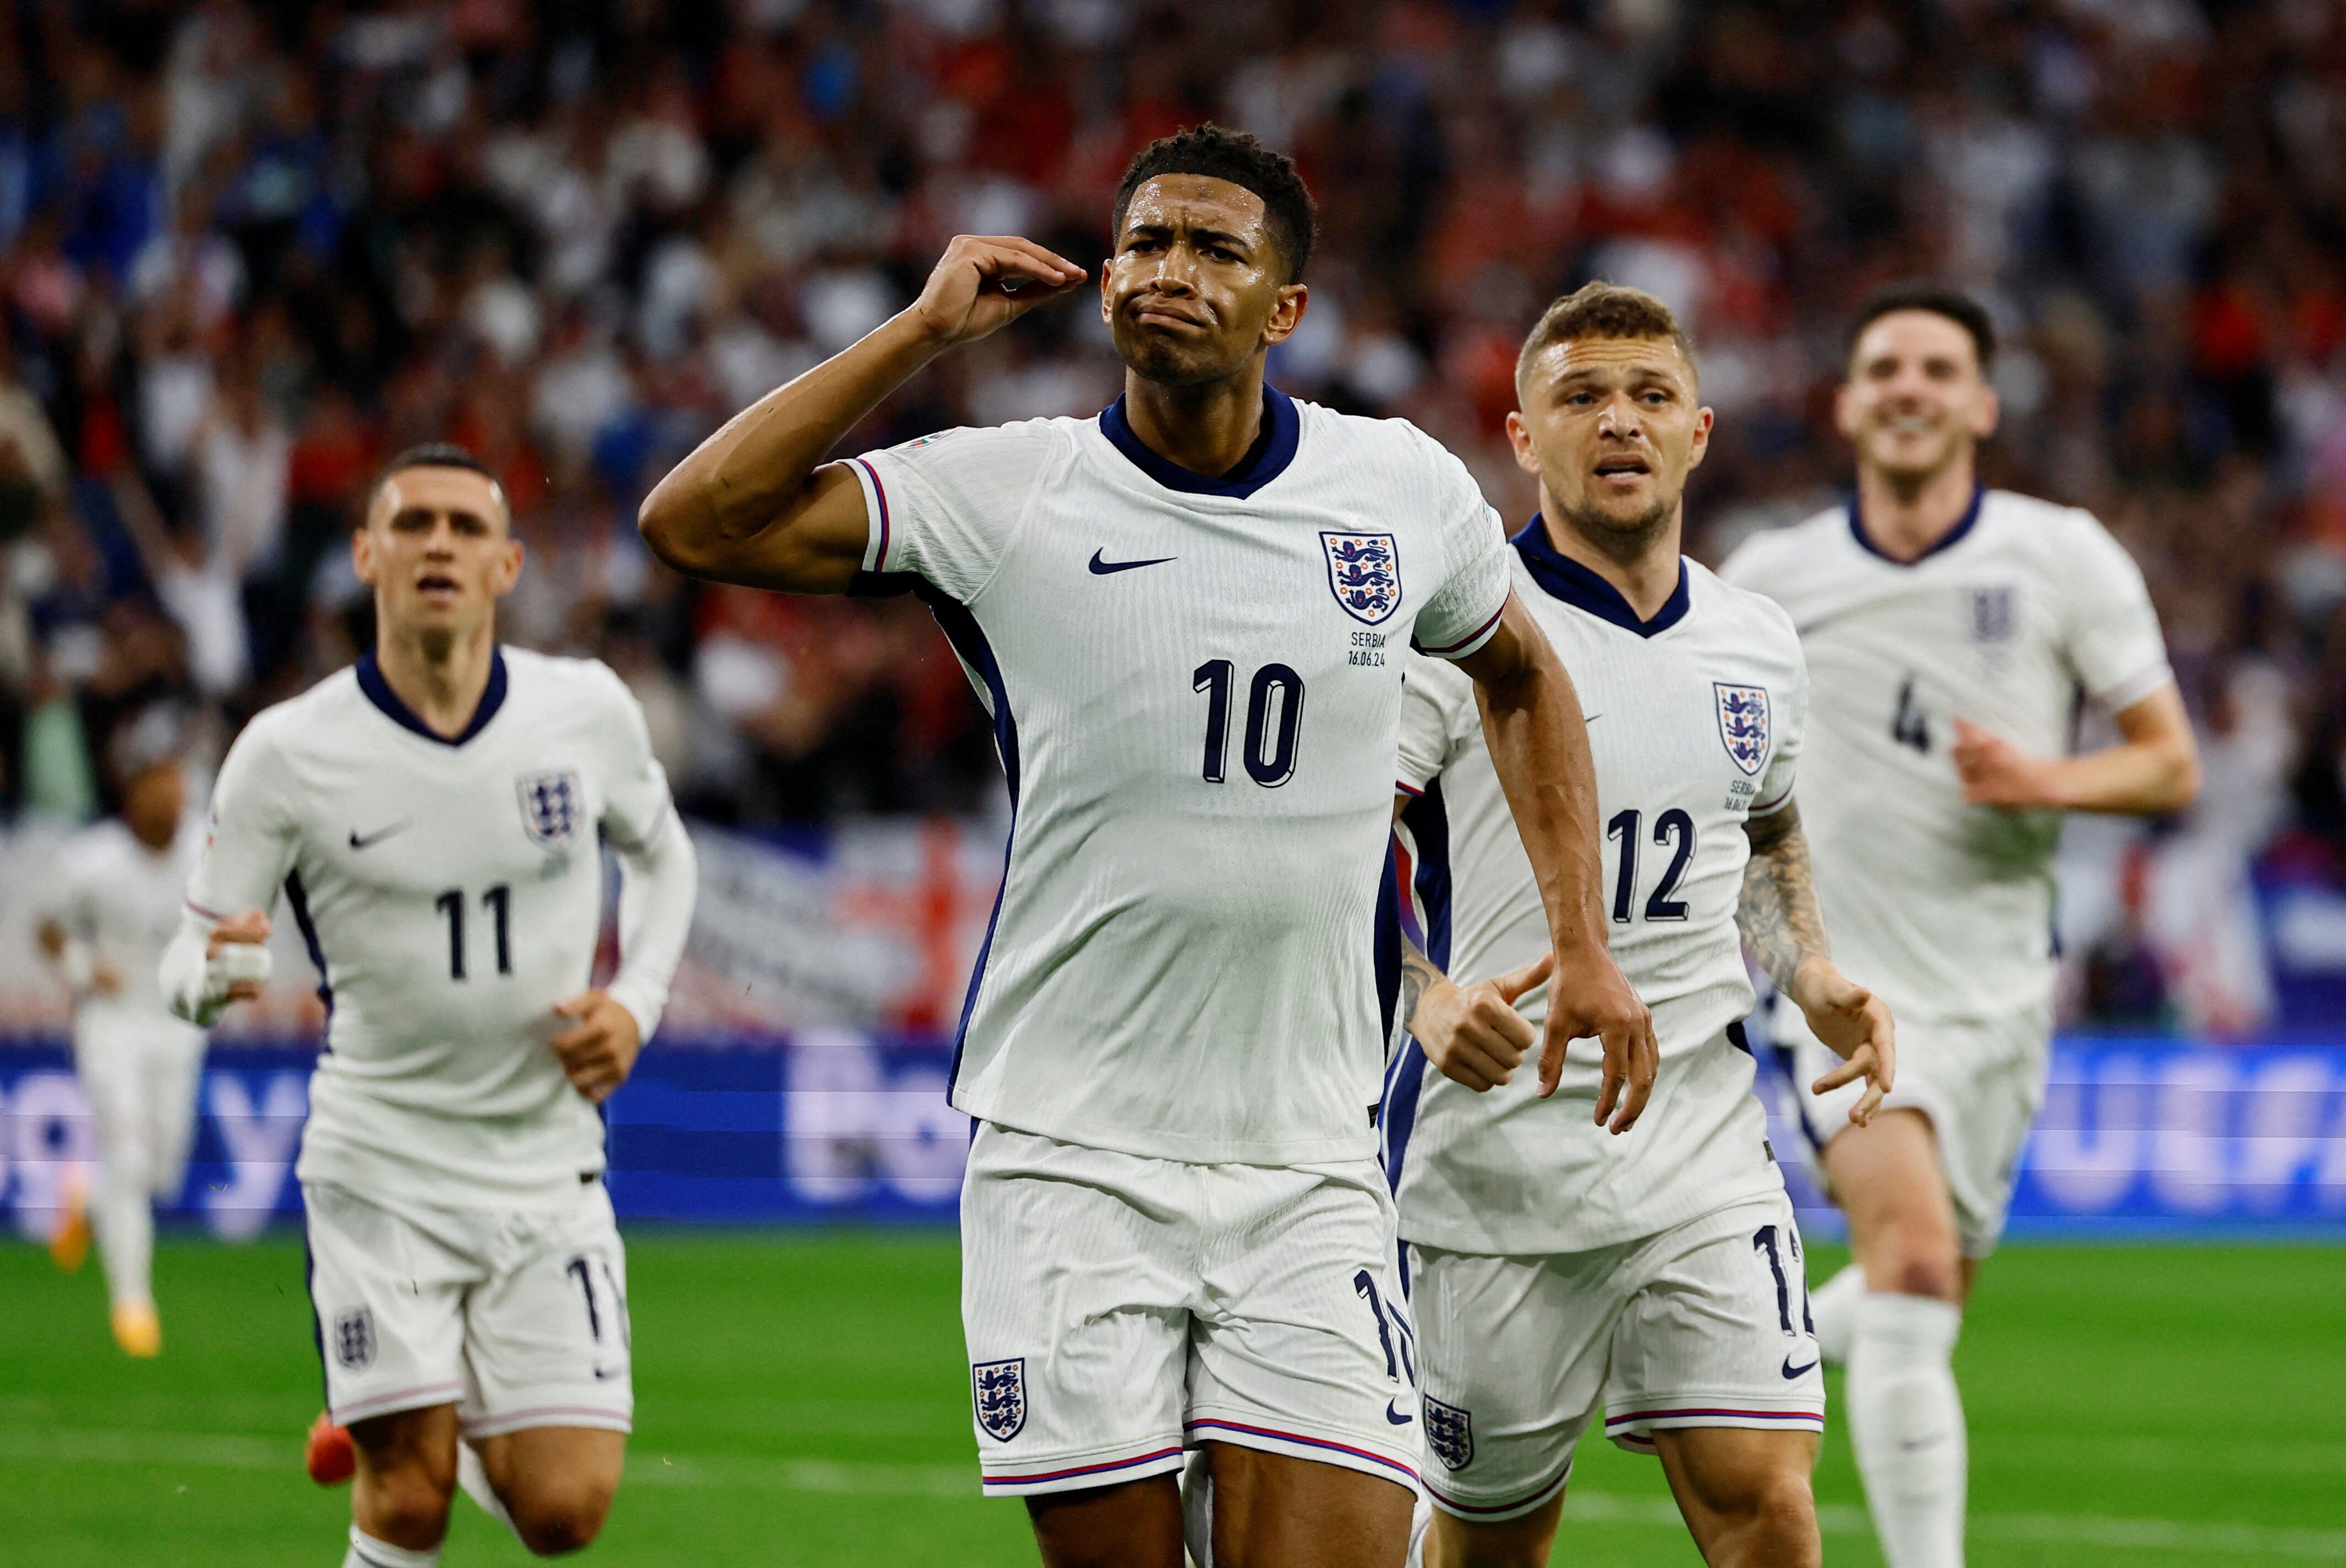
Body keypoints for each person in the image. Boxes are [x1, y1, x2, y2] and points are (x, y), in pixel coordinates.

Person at [637, 124, 1655, 1568]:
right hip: (1071, 1158)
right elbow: (693, 520)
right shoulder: (1007, 492)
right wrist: (918, 336)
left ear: (1281, 309)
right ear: (1105, 278)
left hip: (1309, 1156)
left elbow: (1520, 674)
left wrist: (1582, 943)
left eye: (1215, 250)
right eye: (1146, 243)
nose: (1170, 270)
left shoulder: (1397, 490)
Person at [1386, 284, 1895, 1568]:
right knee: (1494, 1539)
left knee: (1768, 1508)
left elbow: (1763, 832)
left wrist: (1808, 967)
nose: (1619, 421)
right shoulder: (1455, 629)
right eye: (1581, 397)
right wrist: (1418, 992)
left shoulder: (1753, 642)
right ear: (1519, 435)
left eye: (1649, 396)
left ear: (1698, 432)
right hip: (1492, 1163)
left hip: (1700, 1148)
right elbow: (1342, 851)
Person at [1720, 286, 2199, 1568]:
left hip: (2001, 996)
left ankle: (1701, 1356)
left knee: (1909, 1297)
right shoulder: (1769, 581)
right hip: (1838, 986)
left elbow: (2167, 768)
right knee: (1916, 1266)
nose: (1908, 387)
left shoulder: (2061, 556)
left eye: (1937, 368)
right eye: (1882, 367)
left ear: (1981, 403)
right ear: (1845, 403)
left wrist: (2047, 780)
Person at [159, 444, 698, 1568]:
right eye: (412, 525)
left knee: (564, 1513)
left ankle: (417, 1412)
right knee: (405, 1502)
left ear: (506, 564)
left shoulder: (584, 711)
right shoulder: (288, 752)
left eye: (464, 526)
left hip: (545, 1165)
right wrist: (213, 975)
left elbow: (664, 857)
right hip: (380, 1164)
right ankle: (407, 1425)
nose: (438, 543)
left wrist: (636, 1001)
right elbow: (189, 954)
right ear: (366, 554)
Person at [37, 708, 208, 1357]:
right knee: (131, 1159)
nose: (169, 795)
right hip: (113, 1026)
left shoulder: (208, 849)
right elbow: (48, 926)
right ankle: (133, 1305)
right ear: (131, 792)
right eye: (155, 783)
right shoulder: (92, 861)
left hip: (178, 1023)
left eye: (175, 782)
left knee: (161, 1172)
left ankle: (83, 1195)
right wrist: (83, 966)